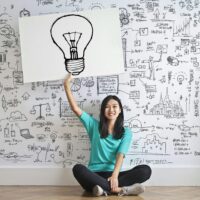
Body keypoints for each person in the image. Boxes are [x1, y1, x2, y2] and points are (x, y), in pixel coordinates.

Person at [64, 73, 152, 196]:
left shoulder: (126, 132)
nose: (111, 110)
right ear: (102, 111)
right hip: (95, 174)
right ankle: (121, 190)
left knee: (145, 170)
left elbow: (121, 154)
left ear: (120, 110)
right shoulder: (93, 125)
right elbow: (75, 108)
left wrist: (115, 175)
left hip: (115, 175)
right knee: (78, 169)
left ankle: (103, 189)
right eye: (107, 107)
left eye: (115, 106)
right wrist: (66, 85)